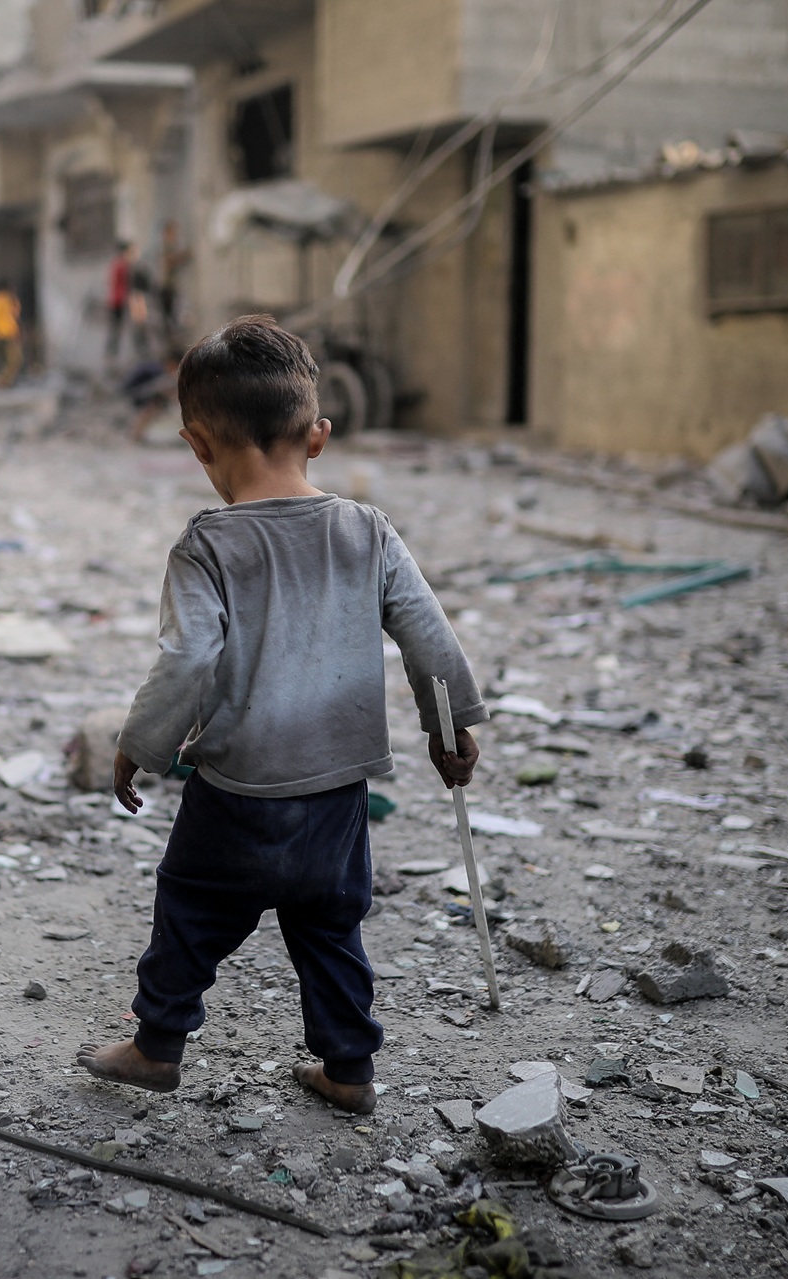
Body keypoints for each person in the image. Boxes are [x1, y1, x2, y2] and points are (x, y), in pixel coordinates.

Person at [75, 315, 484, 1115]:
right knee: (330, 930)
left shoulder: (206, 546)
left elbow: (188, 660)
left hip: (237, 789)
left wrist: (142, 745)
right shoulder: (367, 531)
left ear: (198, 444)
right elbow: (427, 636)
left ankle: (157, 1045)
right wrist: (450, 725)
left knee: (190, 911)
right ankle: (349, 1070)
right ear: (319, 435)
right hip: (337, 792)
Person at [105, 241, 140, 363]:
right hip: (119, 301)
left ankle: (111, 355)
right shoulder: (122, 265)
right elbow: (124, 284)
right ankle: (112, 356)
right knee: (120, 328)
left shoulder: (117, 263)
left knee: (117, 328)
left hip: (117, 300)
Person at [156, 220, 189, 345]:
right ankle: (169, 339)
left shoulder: (169, 245)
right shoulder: (166, 245)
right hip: (165, 284)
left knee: (171, 311)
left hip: (169, 284)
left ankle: (170, 336)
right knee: (168, 313)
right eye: (172, 232)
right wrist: (183, 256)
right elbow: (169, 260)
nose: (175, 235)